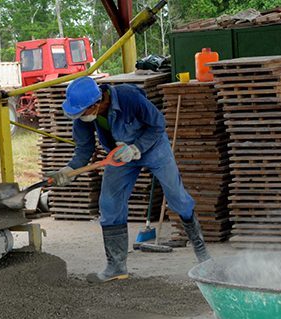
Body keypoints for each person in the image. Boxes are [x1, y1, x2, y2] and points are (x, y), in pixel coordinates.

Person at [49, 76, 210, 283]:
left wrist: (137, 148)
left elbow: (158, 124)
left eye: (82, 112)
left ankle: (202, 254)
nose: (80, 117)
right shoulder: (83, 117)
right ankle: (116, 267)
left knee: (177, 198)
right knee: (109, 204)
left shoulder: (128, 97)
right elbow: (84, 149)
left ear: (97, 103)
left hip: (153, 148)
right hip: (118, 156)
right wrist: (69, 169)